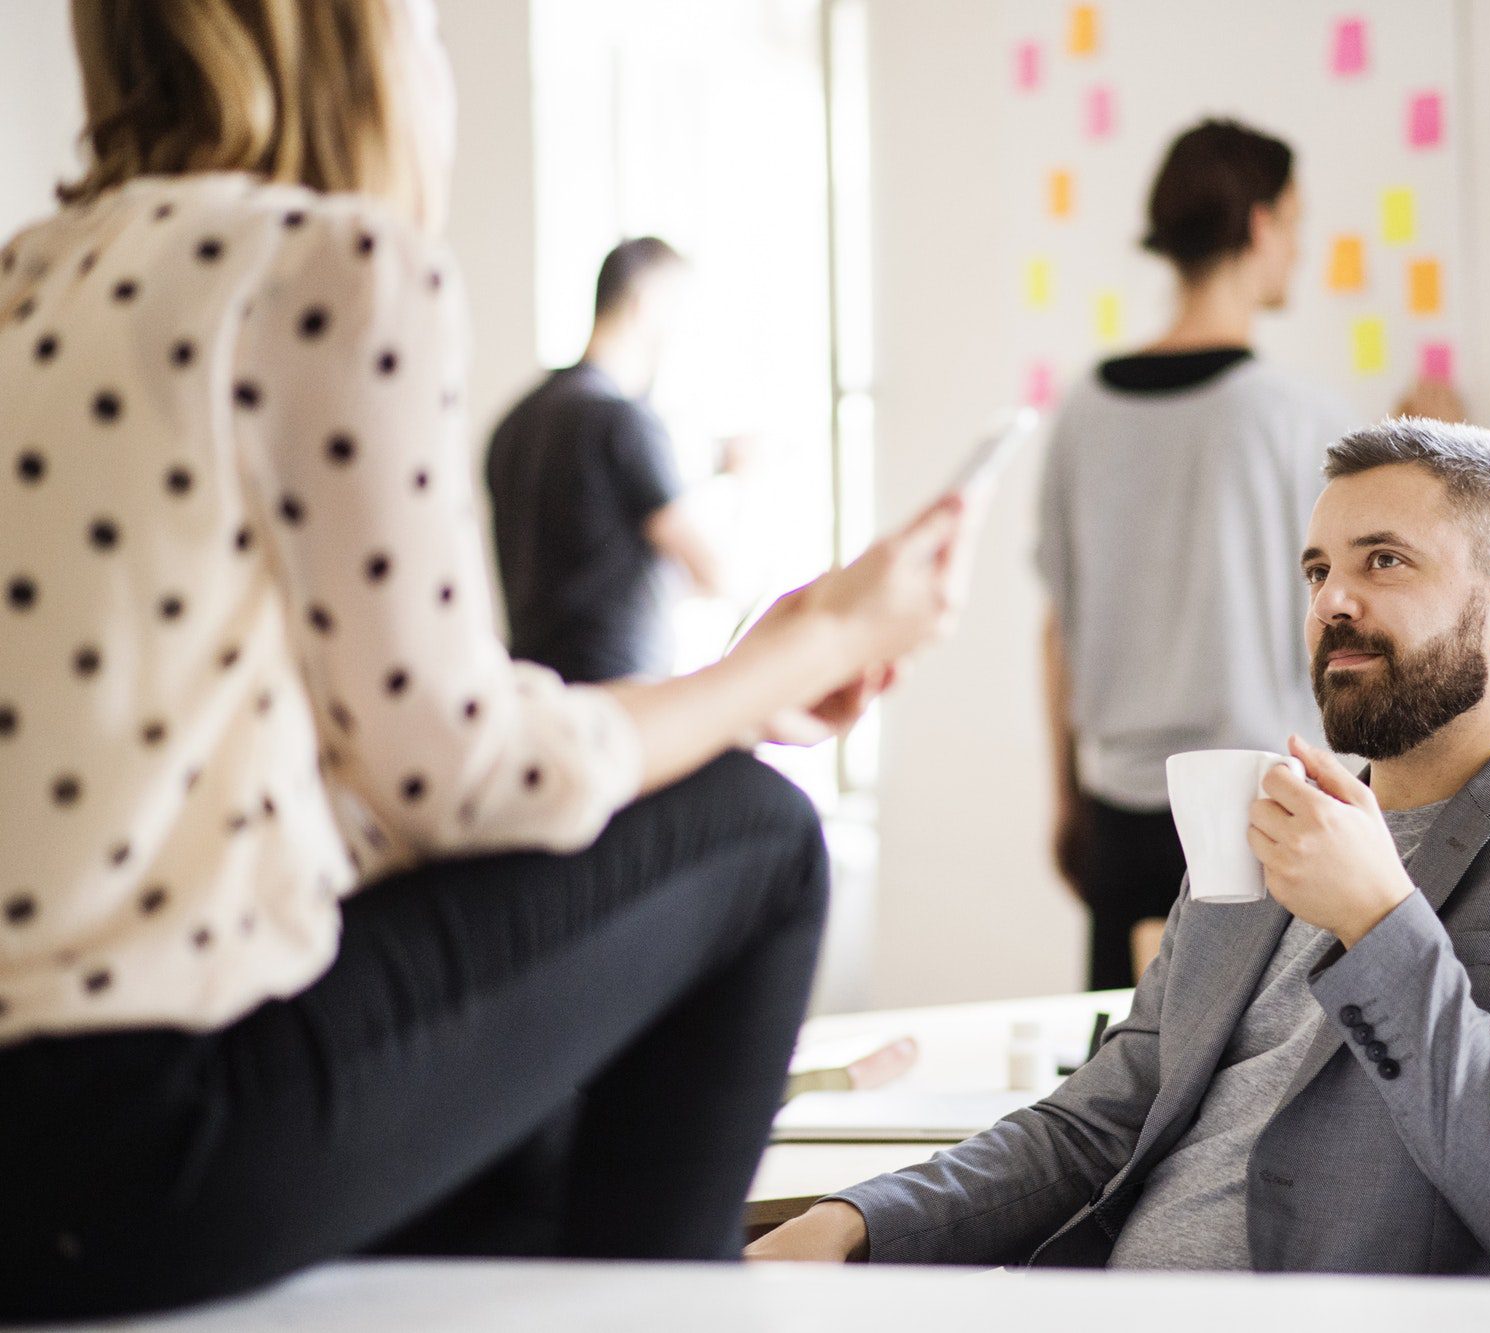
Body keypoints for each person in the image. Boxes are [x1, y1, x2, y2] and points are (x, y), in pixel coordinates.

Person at [0, 0, 966, 1318]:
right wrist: (809, 647)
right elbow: (452, 773)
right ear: (360, 40)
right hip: (157, 1140)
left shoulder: (30, 280)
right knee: (757, 839)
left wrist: (731, 690)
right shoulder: (327, 265)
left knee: (536, 1138)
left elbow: (355, 747)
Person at [750, 418, 1490, 1276]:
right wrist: (854, 1221)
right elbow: (1099, 1118)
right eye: (1317, 570)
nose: (1331, 602)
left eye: (1381, 561)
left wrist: (1381, 924)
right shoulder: (1257, 826)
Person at [1037, 119, 1359, 992]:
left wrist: (1066, 803)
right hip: (1254, 813)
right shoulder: (1297, 420)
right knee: (1244, 1098)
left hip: (1118, 810)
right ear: (1259, 227)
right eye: (1295, 222)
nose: (1299, 246)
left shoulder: (1081, 412)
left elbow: (1058, 629)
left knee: (1116, 1103)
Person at [486, 236, 726, 684]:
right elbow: (714, 572)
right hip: (620, 701)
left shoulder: (515, 422)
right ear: (646, 303)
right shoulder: (623, 423)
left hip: (533, 696)